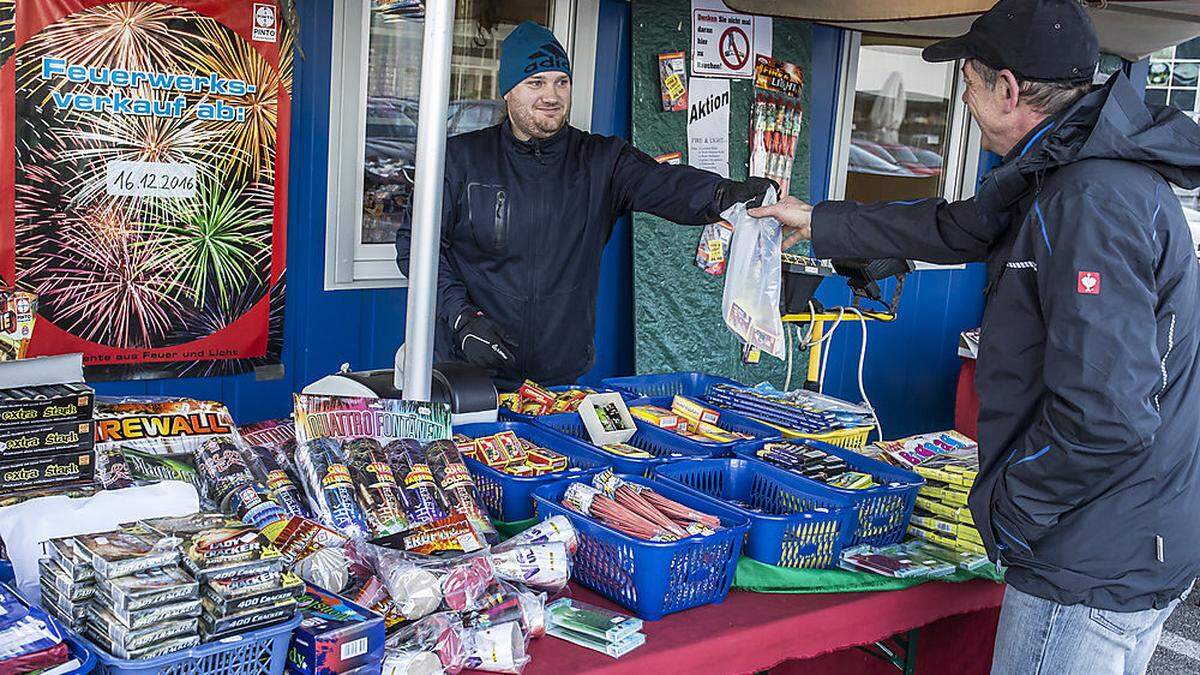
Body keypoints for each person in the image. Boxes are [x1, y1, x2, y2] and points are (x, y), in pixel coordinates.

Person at [751, 1, 1200, 673]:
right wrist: (817, 220)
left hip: (1090, 558)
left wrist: (1009, 508)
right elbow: (957, 226)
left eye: (968, 78)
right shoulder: (1062, 162)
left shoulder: (1090, 199)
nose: (961, 95)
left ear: (1009, 89)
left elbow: (1106, 417)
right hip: (1124, 537)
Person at [396, 21, 780, 389]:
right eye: (536, 82)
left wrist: (724, 196)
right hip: (467, 371)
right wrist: (462, 319)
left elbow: (666, 184)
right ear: (508, 90)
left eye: (562, 82)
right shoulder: (461, 160)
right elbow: (416, 246)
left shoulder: (600, 161)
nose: (551, 95)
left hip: (556, 381)